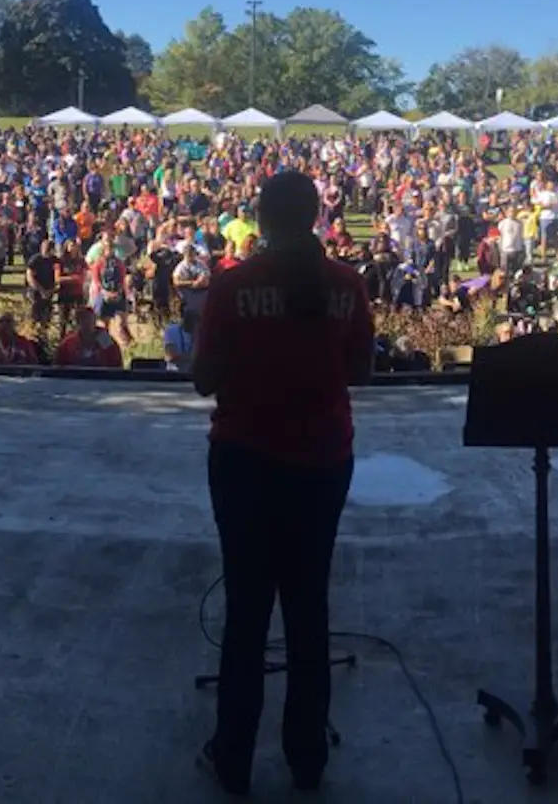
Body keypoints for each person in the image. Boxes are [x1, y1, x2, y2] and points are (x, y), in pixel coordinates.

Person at [192, 170, 374, 797]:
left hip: (244, 460)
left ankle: (234, 758)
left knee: (246, 611)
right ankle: (306, 758)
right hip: (322, 461)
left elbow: (203, 379)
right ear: (317, 216)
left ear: (261, 221)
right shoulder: (348, 285)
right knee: (308, 608)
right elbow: (362, 371)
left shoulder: (233, 285)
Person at [55, 306, 123, 369]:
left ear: (94, 320)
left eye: (89, 319)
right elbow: (59, 367)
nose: (87, 322)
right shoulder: (68, 343)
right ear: (77, 322)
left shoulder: (104, 339)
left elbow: (116, 365)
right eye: (83, 319)